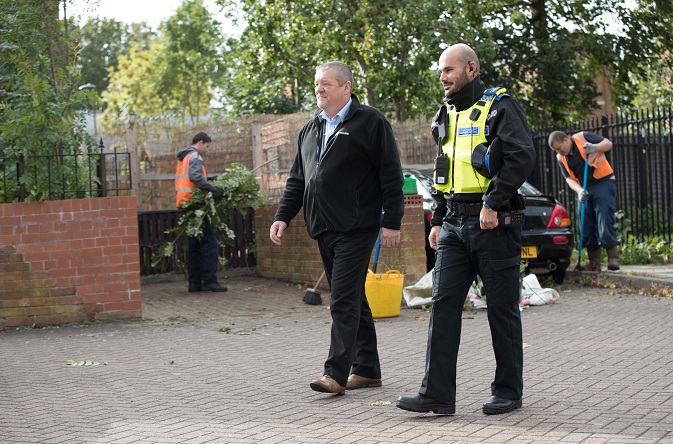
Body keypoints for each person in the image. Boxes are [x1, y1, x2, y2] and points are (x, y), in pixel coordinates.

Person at [396, 43, 536, 415]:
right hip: (455, 225)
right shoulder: (444, 113)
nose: (442, 77)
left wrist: (493, 201)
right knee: (442, 307)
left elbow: (522, 156)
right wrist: (439, 218)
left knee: (501, 309)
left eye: (449, 70)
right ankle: (437, 394)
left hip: (494, 223)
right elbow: (445, 168)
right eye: (441, 71)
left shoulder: (500, 105)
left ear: (471, 69)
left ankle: (508, 391)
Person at [269, 61, 404, 395]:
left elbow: (391, 174)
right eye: (317, 84)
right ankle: (369, 370)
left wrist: (392, 221)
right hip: (323, 227)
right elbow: (298, 180)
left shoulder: (370, 121)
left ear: (347, 87)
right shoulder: (310, 129)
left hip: (358, 227)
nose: (319, 89)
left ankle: (335, 373)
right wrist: (282, 216)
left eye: (327, 83)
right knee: (354, 297)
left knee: (341, 299)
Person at [548, 131, 619, 271]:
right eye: (556, 150)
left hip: (602, 182)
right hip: (585, 189)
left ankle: (613, 258)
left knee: (604, 219)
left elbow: (608, 144)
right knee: (585, 224)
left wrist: (595, 147)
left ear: (566, 140)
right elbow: (569, 179)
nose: (559, 152)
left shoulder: (582, 137)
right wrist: (579, 190)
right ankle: (594, 263)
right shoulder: (561, 158)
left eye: (559, 148)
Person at [175, 132, 227, 293]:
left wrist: (208, 180)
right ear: (200, 142)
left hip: (186, 204)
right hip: (197, 205)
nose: (207, 149)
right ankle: (210, 280)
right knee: (209, 244)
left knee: (194, 246)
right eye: (207, 146)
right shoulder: (195, 157)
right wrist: (213, 189)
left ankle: (194, 282)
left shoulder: (184, 158)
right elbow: (196, 177)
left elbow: (191, 179)